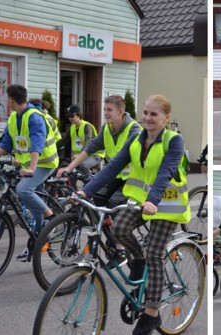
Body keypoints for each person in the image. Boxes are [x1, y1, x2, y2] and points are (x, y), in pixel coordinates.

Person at [78, 94, 190, 334]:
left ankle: (151, 314)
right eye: (146, 113)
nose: (147, 118)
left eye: (154, 114)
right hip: (141, 201)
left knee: (155, 252)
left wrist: (153, 200)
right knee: (118, 228)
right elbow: (113, 167)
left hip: (167, 206)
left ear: (166, 118)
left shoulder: (174, 140)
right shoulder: (136, 140)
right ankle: (138, 261)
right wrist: (85, 192)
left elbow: (166, 171)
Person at [0, 85, 59, 261]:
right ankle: (36, 241)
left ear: (11, 99)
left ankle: (51, 216)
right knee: (32, 205)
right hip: (29, 164)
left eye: (6, 98)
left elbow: (37, 143)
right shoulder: (13, 119)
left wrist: (32, 168)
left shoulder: (34, 117)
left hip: (44, 163)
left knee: (23, 190)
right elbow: (6, 143)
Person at [56, 95, 142, 204]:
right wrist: (68, 168)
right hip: (115, 174)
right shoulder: (107, 128)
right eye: (104, 109)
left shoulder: (134, 129)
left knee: (115, 202)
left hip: (133, 178)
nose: (105, 113)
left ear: (120, 111)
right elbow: (91, 147)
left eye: (109, 110)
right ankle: (105, 221)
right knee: (97, 196)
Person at [57, 104, 104, 175]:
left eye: (72, 116)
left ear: (78, 115)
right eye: (68, 117)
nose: (70, 118)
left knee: (83, 166)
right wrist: (51, 148)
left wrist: (79, 156)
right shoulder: (72, 128)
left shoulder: (87, 126)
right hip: (81, 155)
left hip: (95, 154)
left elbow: (88, 142)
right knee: (71, 172)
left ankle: (91, 183)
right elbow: (63, 141)